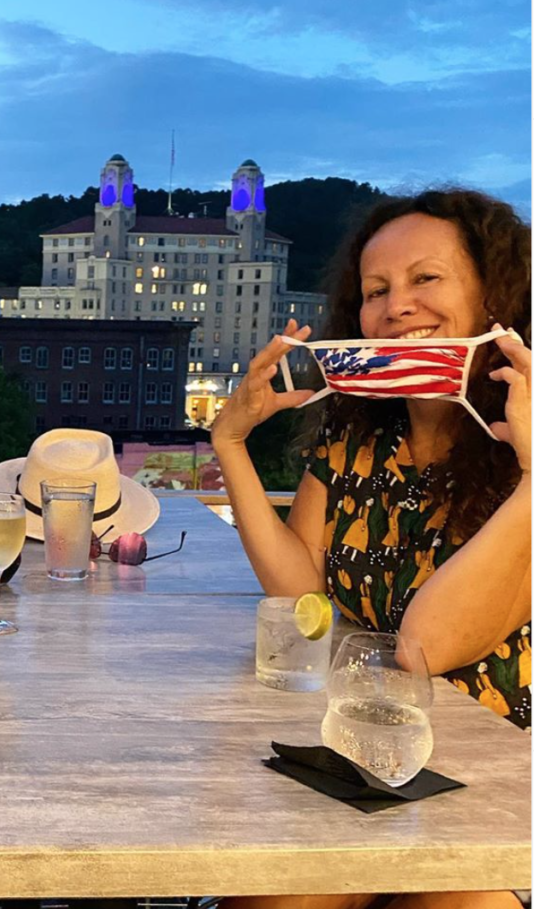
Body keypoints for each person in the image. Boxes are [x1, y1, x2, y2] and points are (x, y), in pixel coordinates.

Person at [213, 189, 530, 909]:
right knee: (276, 894)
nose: (397, 306)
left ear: (491, 294)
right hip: (357, 750)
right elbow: (303, 596)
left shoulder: (524, 446)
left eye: (427, 279)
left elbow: (423, 648)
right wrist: (230, 442)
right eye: (376, 290)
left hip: (493, 790)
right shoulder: (356, 436)